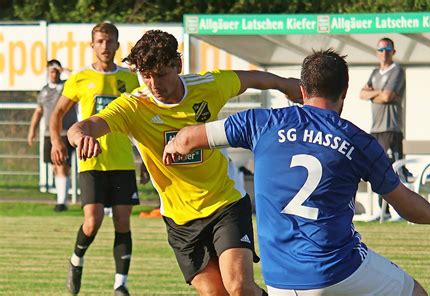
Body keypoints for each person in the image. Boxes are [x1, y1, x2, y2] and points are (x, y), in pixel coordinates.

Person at [162, 49, 430, 296]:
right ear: (344, 91)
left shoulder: (262, 123)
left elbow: (189, 137)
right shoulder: (357, 140)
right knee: (415, 293)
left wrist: (175, 144)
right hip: (338, 268)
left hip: (279, 279)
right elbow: (404, 203)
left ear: (302, 89)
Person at [66, 29, 301, 296]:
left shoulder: (208, 85)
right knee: (216, 293)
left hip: (225, 203)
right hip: (180, 221)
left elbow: (253, 78)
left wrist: (287, 84)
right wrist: (81, 137)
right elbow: (84, 125)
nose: (153, 84)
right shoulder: (133, 107)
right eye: (146, 76)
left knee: (238, 288)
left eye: (161, 74)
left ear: (177, 65)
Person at [49, 22, 140, 296]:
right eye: (99, 41)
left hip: (123, 161)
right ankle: (76, 261)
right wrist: (57, 141)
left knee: (123, 221)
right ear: (92, 45)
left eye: (110, 41)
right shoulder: (80, 78)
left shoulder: (130, 79)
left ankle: (120, 285)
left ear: (117, 45)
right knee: (93, 220)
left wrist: (146, 159)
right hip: (92, 161)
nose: (105, 46)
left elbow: (140, 122)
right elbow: (56, 114)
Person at [360, 37, 406, 221]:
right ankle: (384, 211)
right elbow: (362, 94)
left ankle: (402, 212)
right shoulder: (374, 73)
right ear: (376, 52)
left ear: (393, 51)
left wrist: (374, 95)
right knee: (378, 169)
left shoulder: (398, 71)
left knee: (397, 169)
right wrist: (377, 95)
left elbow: (387, 97)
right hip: (376, 128)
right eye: (381, 49)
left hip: (391, 128)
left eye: (388, 49)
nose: (384, 52)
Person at [28, 59, 76, 212]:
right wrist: (32, 130)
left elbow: (77, 77)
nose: (54, 74)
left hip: (63, 133)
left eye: (56, 71)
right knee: (55, 167)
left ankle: (61, 203)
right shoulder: (44, 90)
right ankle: (61, 198)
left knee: (61, 165)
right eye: (51, 71)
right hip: (49, 134)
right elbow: (38, 111)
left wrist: (64, 70)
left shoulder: (66, 86)